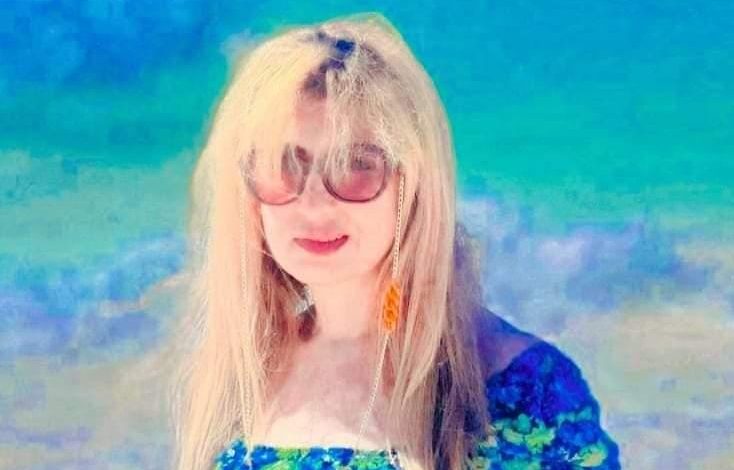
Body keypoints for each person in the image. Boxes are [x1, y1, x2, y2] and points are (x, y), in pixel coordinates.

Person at [168, 12, 621, 470]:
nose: (315, 206)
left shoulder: (523, 395)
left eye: (356, 165)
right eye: (285, 166)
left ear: (412, 185)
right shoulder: (243, 378)